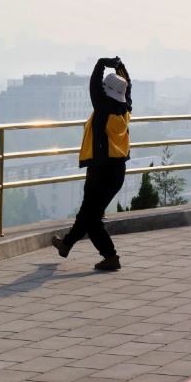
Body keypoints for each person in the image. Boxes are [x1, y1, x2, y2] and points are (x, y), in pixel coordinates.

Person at [52, 57, 131, 271]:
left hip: (101, 170)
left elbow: (94, 88)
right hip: (118, 171)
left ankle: (110, 256)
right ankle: (66, 245)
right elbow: (128, 87)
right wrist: (120, 68)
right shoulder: (126, 109)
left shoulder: (104, 108)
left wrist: (101, 64)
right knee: (88, 212)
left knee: (92, 218)